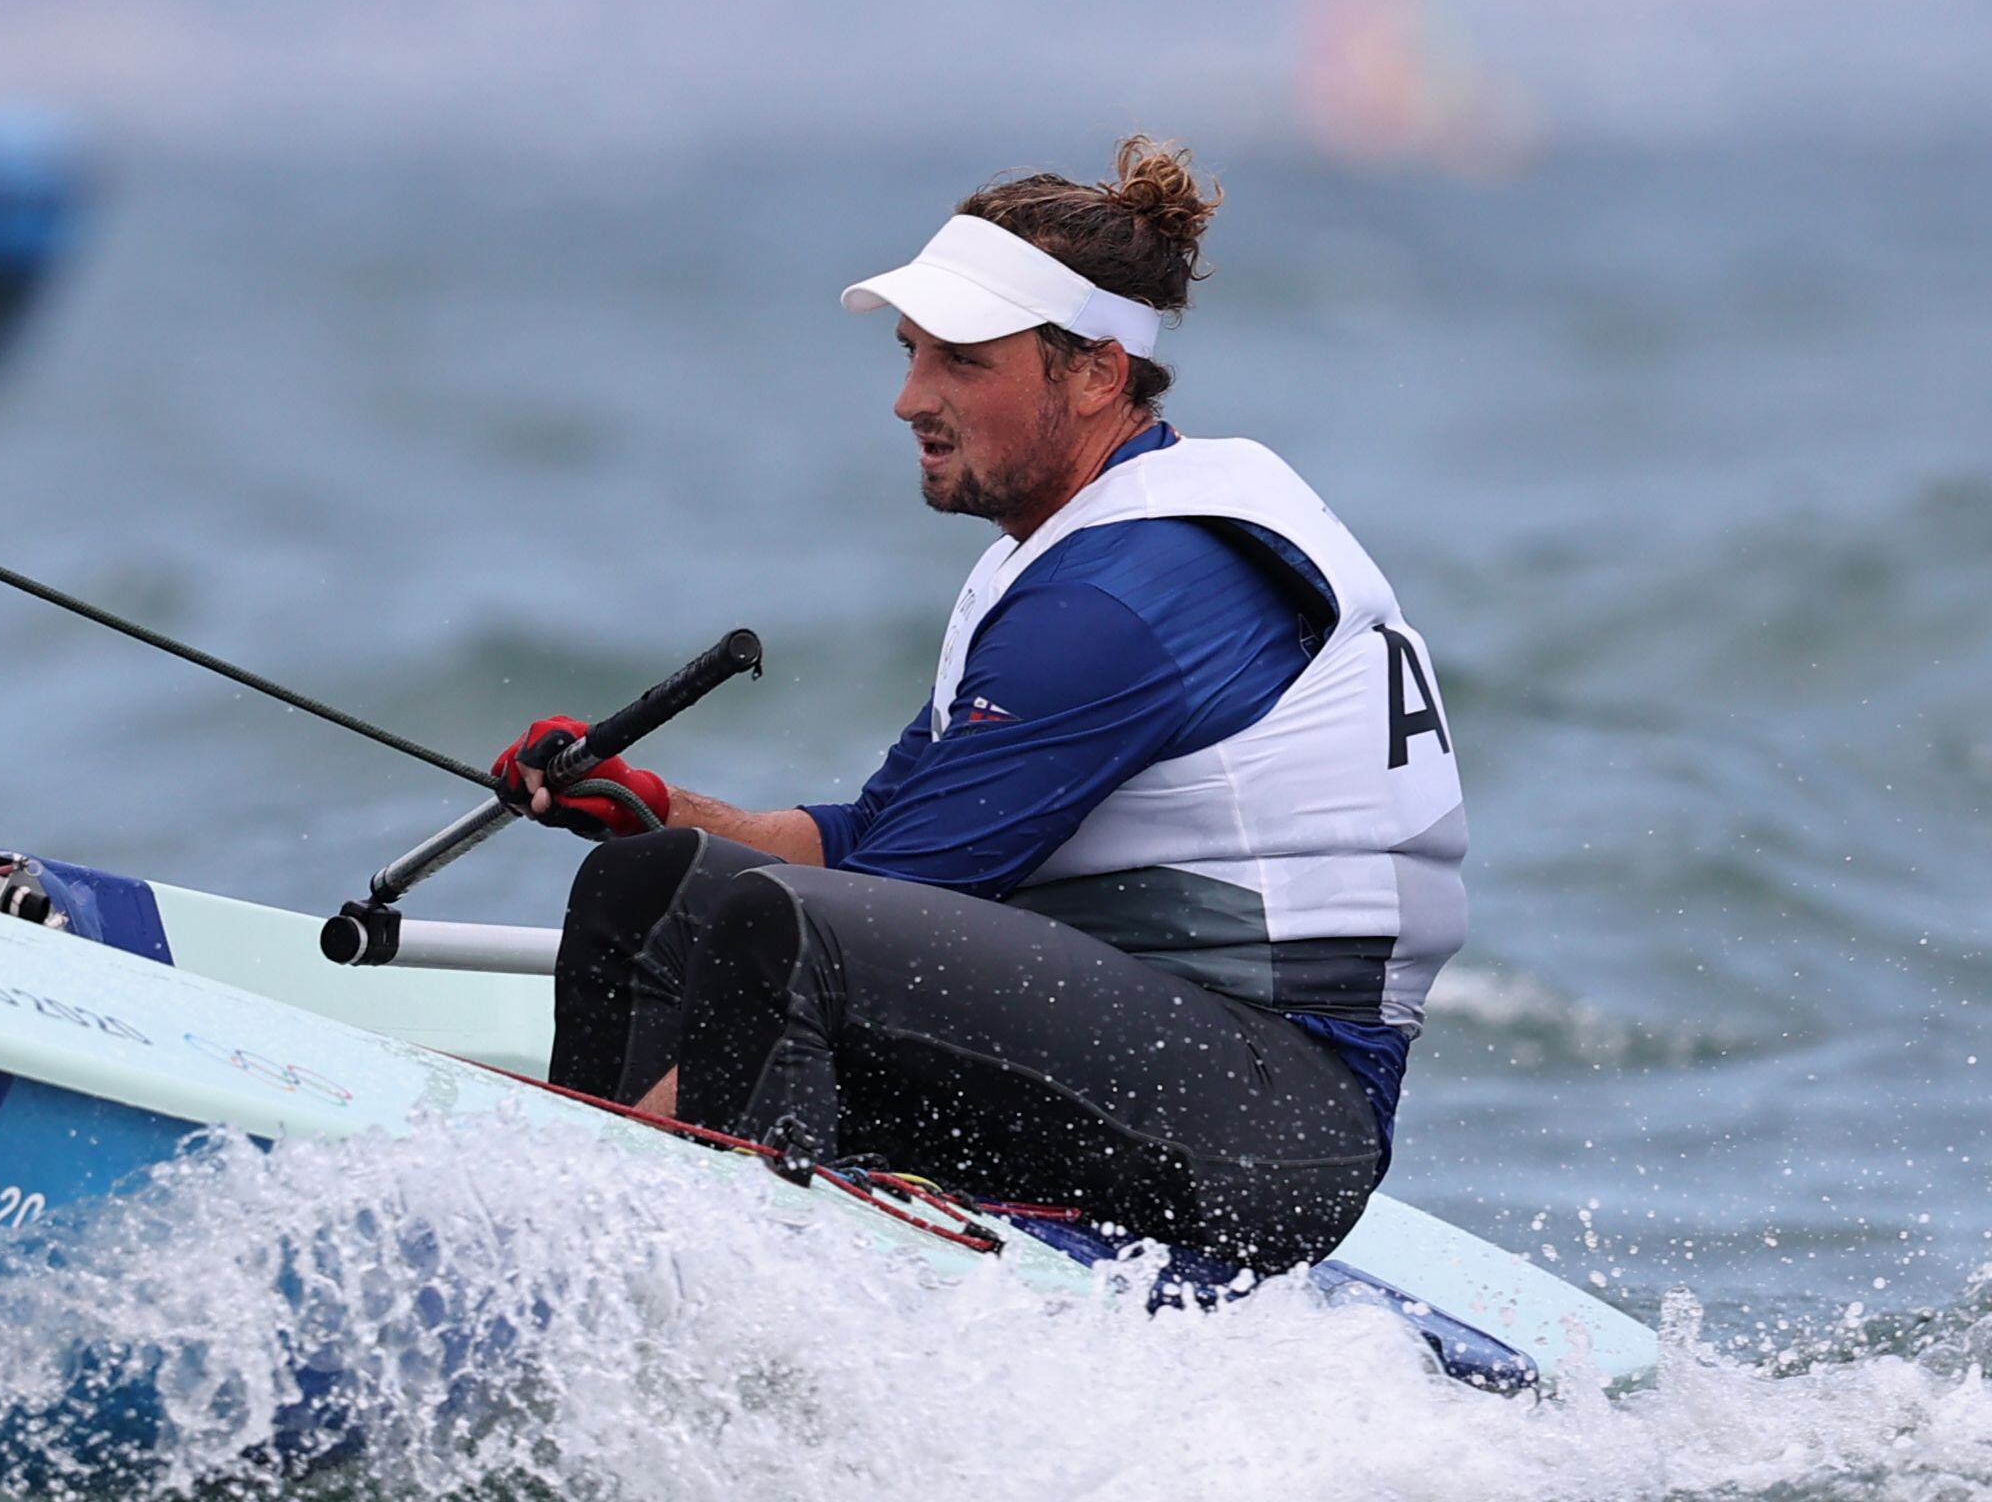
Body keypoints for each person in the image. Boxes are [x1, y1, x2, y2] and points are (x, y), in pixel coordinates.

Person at [494, 138, 1464, 1273]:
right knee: (654, 883)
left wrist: (618, 1160)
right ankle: (606, 1264)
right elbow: (869, 840)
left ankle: (634, 1246)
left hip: (1278, 1126)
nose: (909, 398)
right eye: (911, 354)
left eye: (960, 360)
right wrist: (656, 804)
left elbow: (878, 898)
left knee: (785, 931)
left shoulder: (1124, 597)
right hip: (1152, 1052)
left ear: (1095, 373)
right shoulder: (1068, 554)